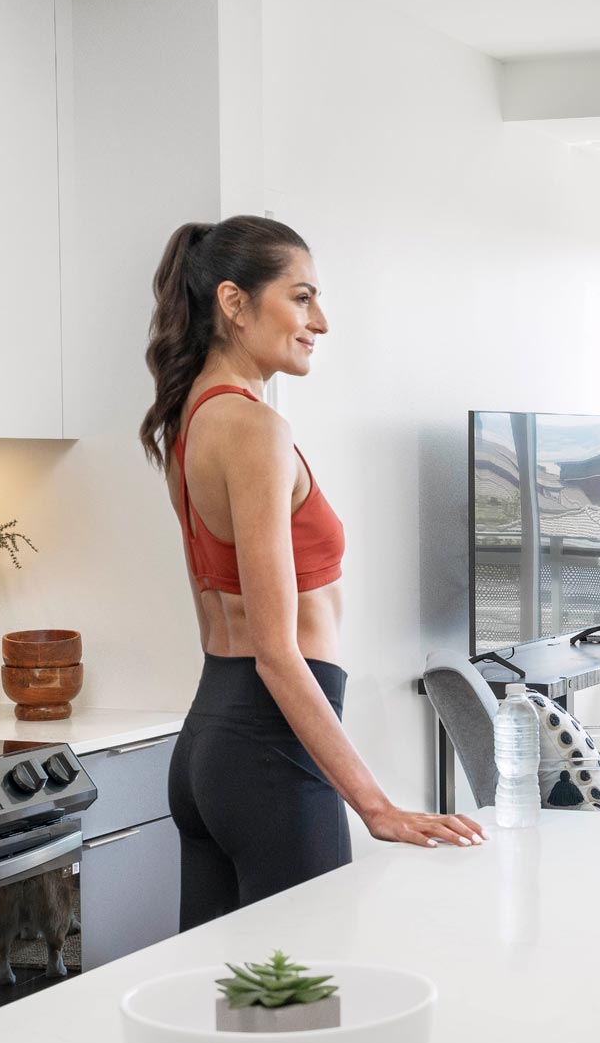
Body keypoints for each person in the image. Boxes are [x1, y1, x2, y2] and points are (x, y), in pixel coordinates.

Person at [140, 216, 485, 927]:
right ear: (234, 303)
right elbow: (276, 652)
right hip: (270, 754)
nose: (318, 321)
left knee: (227, 1006)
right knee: (307, 1008)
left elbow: (219, 613)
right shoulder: (254, 429)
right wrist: (377, 806)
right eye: (301, 298)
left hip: (210, 742)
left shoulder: (191, 420)